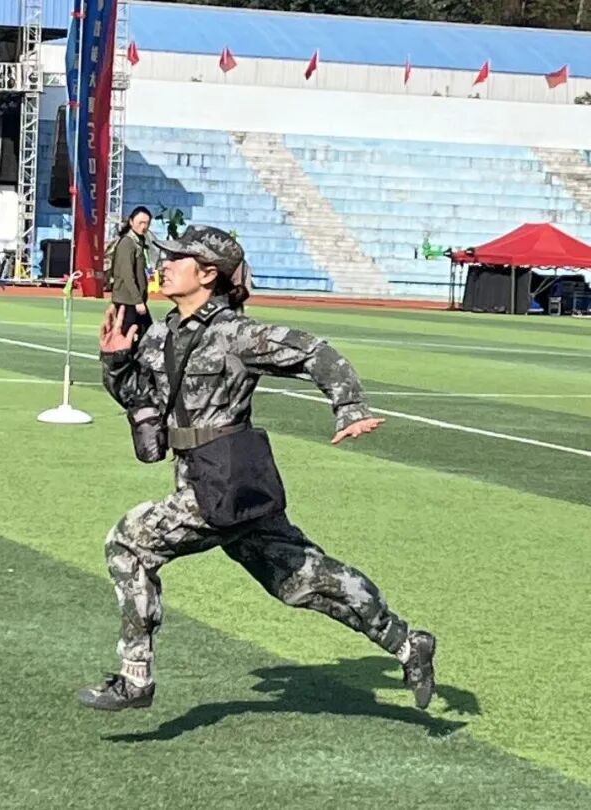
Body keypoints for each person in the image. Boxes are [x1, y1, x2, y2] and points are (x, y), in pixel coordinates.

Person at [79, 225, 437, 713]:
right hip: (212, 479)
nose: (164, 264)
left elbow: (313, 350)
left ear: (208, 274)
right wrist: (116, 362)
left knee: (127, 543)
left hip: (223, 483)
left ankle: (135, 677)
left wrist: (349, 407)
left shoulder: (237, 334)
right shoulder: (162, 333)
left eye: (176, 258)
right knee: (301, 580)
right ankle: (406, 643)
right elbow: (142, 401)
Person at [107, 206, 155, 341]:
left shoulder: (140, 242)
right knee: (125, 338)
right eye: (140, 222)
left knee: (144, 337)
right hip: (127, 301)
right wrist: (137, 300)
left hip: (135, 300)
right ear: (131, 222)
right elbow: (127, 274)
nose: (144, 227)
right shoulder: (127, 243)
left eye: (147, 223)